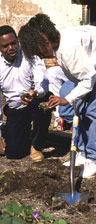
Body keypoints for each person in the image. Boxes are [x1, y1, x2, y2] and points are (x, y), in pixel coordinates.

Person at [18, 13, 96, 178]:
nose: (38, 55)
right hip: (84, 75)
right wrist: (68, 98)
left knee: (91, 112)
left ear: (44, 38)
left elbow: (89, 79)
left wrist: (66, 98)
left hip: (91, 76)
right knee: (74, 110)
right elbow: (79, 75)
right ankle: (82, 152)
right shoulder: (59, 45)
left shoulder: (68, 48)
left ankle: (93, 158)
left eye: (36, 49)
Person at [0, 25, 51, 161]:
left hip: (34, 101)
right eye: (5, 46)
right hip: (16, 108)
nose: (11, 48)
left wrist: (36, 93)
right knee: (14, 153)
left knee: (45, 102)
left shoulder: (30, 56)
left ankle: (36, 145)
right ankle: (25, 135)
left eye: (13, 43)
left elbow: (42, 81)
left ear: (17, 41)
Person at [46, 65, 74, 130]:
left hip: (87, 71)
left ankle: (70, 119)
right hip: (73, 68)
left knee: (73, 86)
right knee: (52, 72)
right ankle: (60, 118)